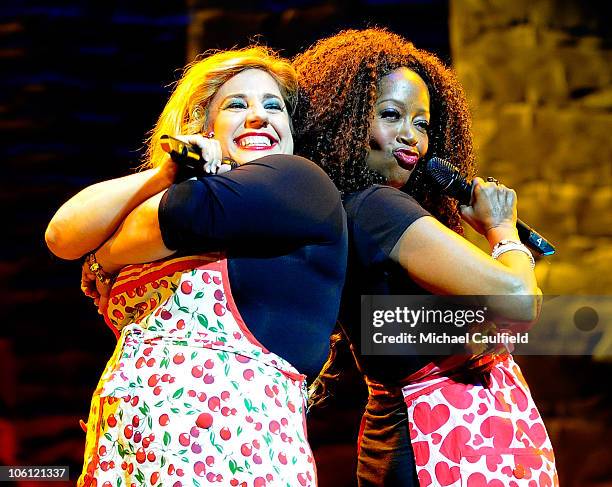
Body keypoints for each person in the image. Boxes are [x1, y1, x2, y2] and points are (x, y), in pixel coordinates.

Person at [45, 47, 347, 487]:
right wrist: (166, 173)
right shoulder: (175, 189)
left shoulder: (298, 182)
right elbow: (60, 235)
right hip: (128, 453)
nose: (259, 117)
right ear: (203, 126)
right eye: (237, 105)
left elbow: (175, 217)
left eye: (274, 106)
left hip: (227, 454)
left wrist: (102, 257)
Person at [292, 28, 558, 486]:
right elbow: (518, 301)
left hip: (414, 434)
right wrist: (502, 231)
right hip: (434, 437)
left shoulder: (349, 211)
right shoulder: (378, 208)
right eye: (391, 115)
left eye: (423, 124)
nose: (411, 136)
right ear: (348, 121)